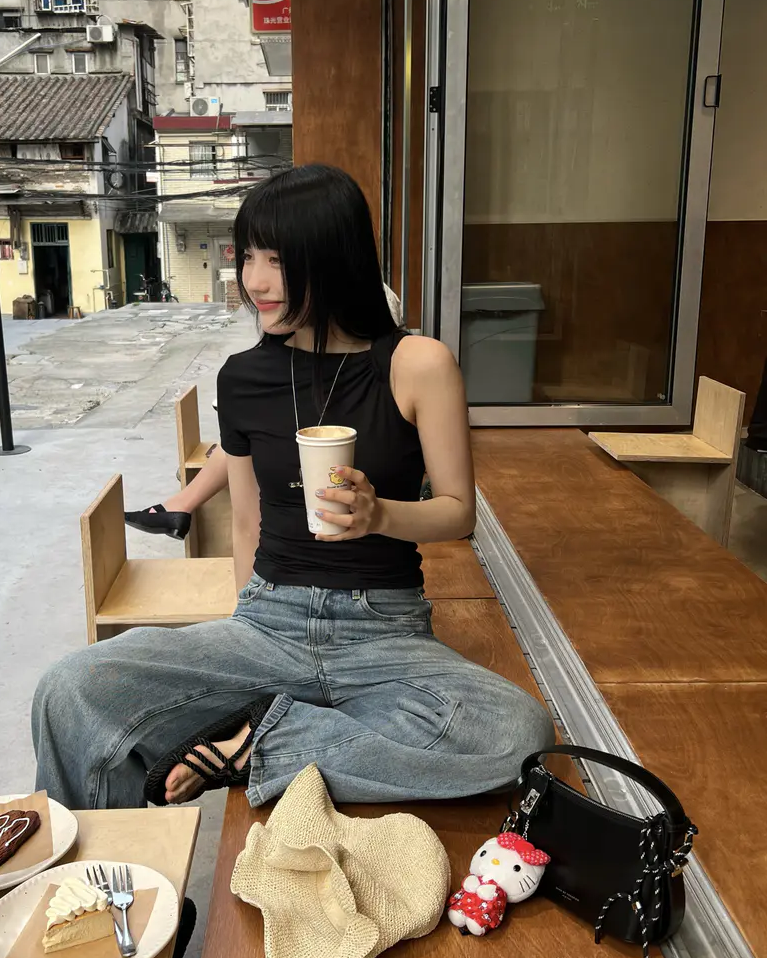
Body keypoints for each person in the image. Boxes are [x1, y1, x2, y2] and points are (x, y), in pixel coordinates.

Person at [33, 163, 553, 812]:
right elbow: (246, 521)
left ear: (333, 257)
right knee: (69, 691)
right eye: (248, 256)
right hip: (268, 620)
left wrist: (379, 515)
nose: (255, 281)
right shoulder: (242, 378)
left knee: (515, 733)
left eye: (277, 260)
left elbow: (457, 513)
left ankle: (262, 745)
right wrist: (241, 639)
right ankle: (103, 874)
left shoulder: (418, 364)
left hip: (383, 630)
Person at [123, 283, 405, 540]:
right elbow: (246, 527)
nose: (257, 283)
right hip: (281, 550)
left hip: (347, 437)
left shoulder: (388, 358)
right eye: (249, 258)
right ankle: (181, 504)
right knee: (245, 435)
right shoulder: (258, 366)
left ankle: (180, 505)